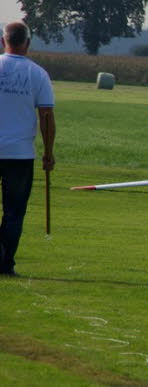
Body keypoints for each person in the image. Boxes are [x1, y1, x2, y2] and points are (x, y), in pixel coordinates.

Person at [0, 21, 55, 277]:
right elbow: (46, 116)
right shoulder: (38, 74)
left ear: (4, 41)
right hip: (20, 155)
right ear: (28, 43)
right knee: (14, 210)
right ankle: (5, 262)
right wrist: (48, 152)